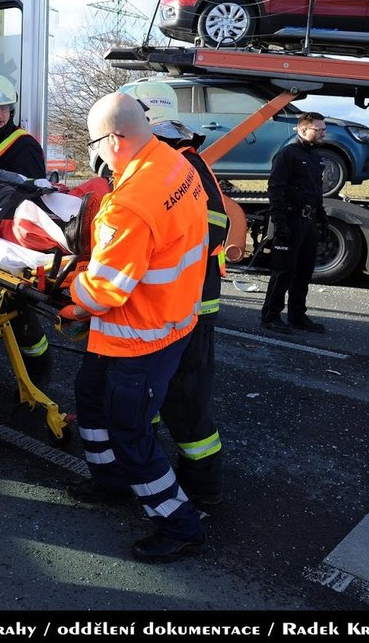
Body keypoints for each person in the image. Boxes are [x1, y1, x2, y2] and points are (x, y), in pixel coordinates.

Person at [59, 92, 209, 563]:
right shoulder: (174, 163)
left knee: (130, 430)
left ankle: (178, 524)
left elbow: (102, 293)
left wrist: (67, 293)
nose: (98, 157)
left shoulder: (132, 202)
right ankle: (110, 482)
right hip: (167, 319)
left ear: (115, 139)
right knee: (90, 394)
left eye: (96, 146)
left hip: (139, 335)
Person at [123, 81, 227, 507]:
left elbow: (215, 227)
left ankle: (202, 496)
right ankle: (159, 477)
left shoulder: (183, 166)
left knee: (186, 400)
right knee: (162, 394)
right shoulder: (170, 162)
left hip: (192, 304)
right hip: (169, 303)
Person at [0, 73, 51, 386]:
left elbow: (29, 200)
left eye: (4, 107)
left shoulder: (24, 146)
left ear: (11, 109)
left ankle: (38, 376)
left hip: (7, 236)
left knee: (18, 312)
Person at [260, 111, 328, 334]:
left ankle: (297, 316)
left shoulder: (315, 156)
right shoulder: (288, 154)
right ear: (302, 129)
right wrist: (280, 224)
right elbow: (275, 190)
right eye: (319, 130)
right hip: (290, 219)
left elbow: (316, 193)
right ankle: (270, 316)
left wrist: (322, 222)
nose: (323, 133)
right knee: (283, 271)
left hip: (308, 222)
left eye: (323, 130)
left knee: (304, 271)